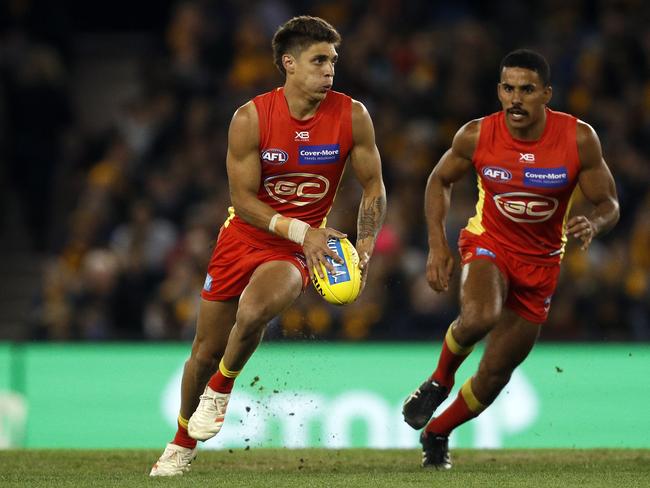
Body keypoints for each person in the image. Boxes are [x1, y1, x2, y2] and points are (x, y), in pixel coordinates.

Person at [150, 16, 386, 476]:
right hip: (244, 237)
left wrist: (366, 243)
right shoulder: (251, 118)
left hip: (297, 250)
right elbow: (242, 200)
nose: (329, 71)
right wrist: (305, 231)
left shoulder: (352, 115)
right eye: (319, 61)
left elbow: (374, 187)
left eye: (333, 61)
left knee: (256, 310)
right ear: (289, 64)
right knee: (202, 352)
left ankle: (220, 393)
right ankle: (181, 441)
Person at [402, 49, 619, 469]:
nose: (515, 98)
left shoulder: (577, 138)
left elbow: (608, 201)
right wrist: (437, 245)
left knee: (495, 374)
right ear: (499, 91)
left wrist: (595, 223)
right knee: (481, 315)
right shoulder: (477, 135)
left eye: (527, 89)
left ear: (546, 95)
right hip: (490, 244)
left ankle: (436, 433)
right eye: (508, 88)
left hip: (541, 265)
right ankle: (439, 379)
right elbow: (439, 180)